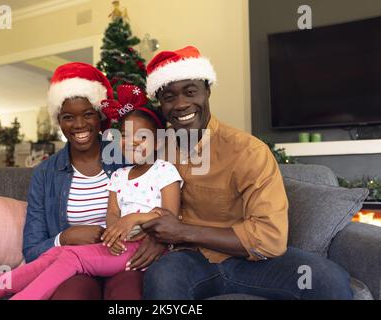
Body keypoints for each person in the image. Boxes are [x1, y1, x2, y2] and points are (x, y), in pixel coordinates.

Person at [140, 46, 354, 300]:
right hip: (189, 261)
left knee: (329, 280)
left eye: (190, 92)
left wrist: (183, 231)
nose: (181, 104)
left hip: (251, 262)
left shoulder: (247, 151)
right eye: (169, 97)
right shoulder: (157, 151)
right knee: (162, 278)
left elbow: (270, 238)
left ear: (207, 91)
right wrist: (156, 235)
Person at [0, 84, 182, 300]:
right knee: (64, 258)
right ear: (59, 121)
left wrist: (137, 223)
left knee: (115, 286)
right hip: (107, 249)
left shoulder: (140, 164)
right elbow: (111, 215)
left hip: (133, 254)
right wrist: (68, 236)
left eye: (87, 114)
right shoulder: (101, 175)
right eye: (68, 117)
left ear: (100, 118)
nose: (79, 124)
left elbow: (169, 218)